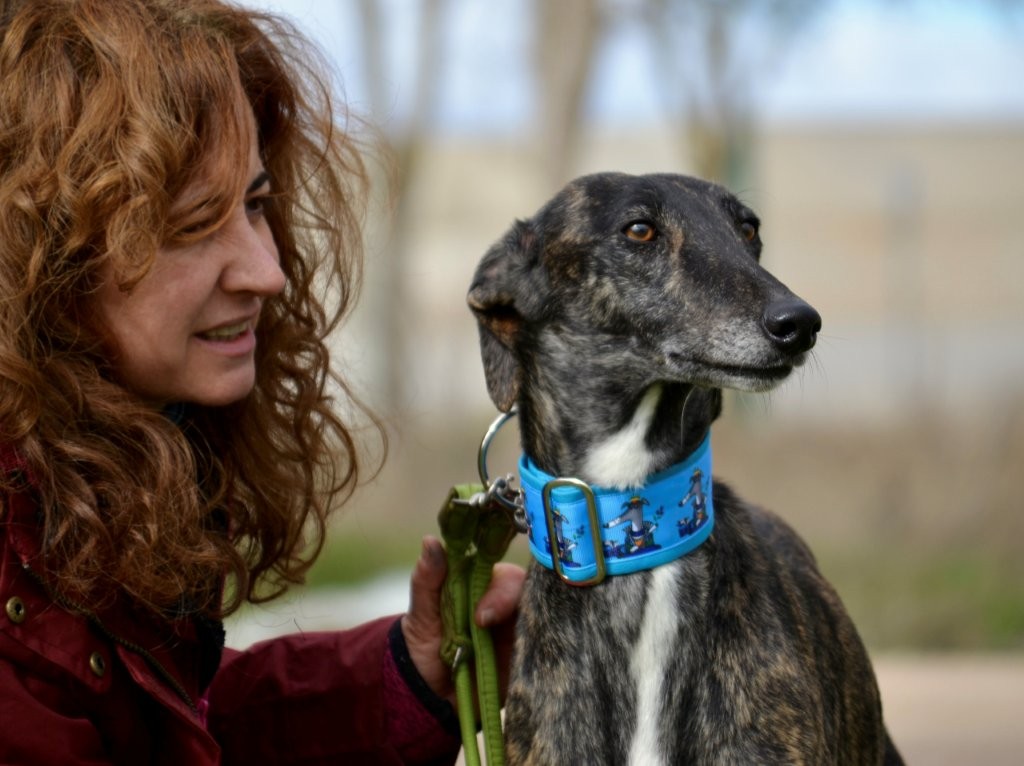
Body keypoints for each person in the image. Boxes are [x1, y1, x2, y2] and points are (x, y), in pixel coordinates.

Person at [0, 1, 524, 763]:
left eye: (253, 205)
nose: (267, 271)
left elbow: (177, 730)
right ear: (46, 260)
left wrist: (410, 674)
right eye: (192, 225)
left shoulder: (107, 472)